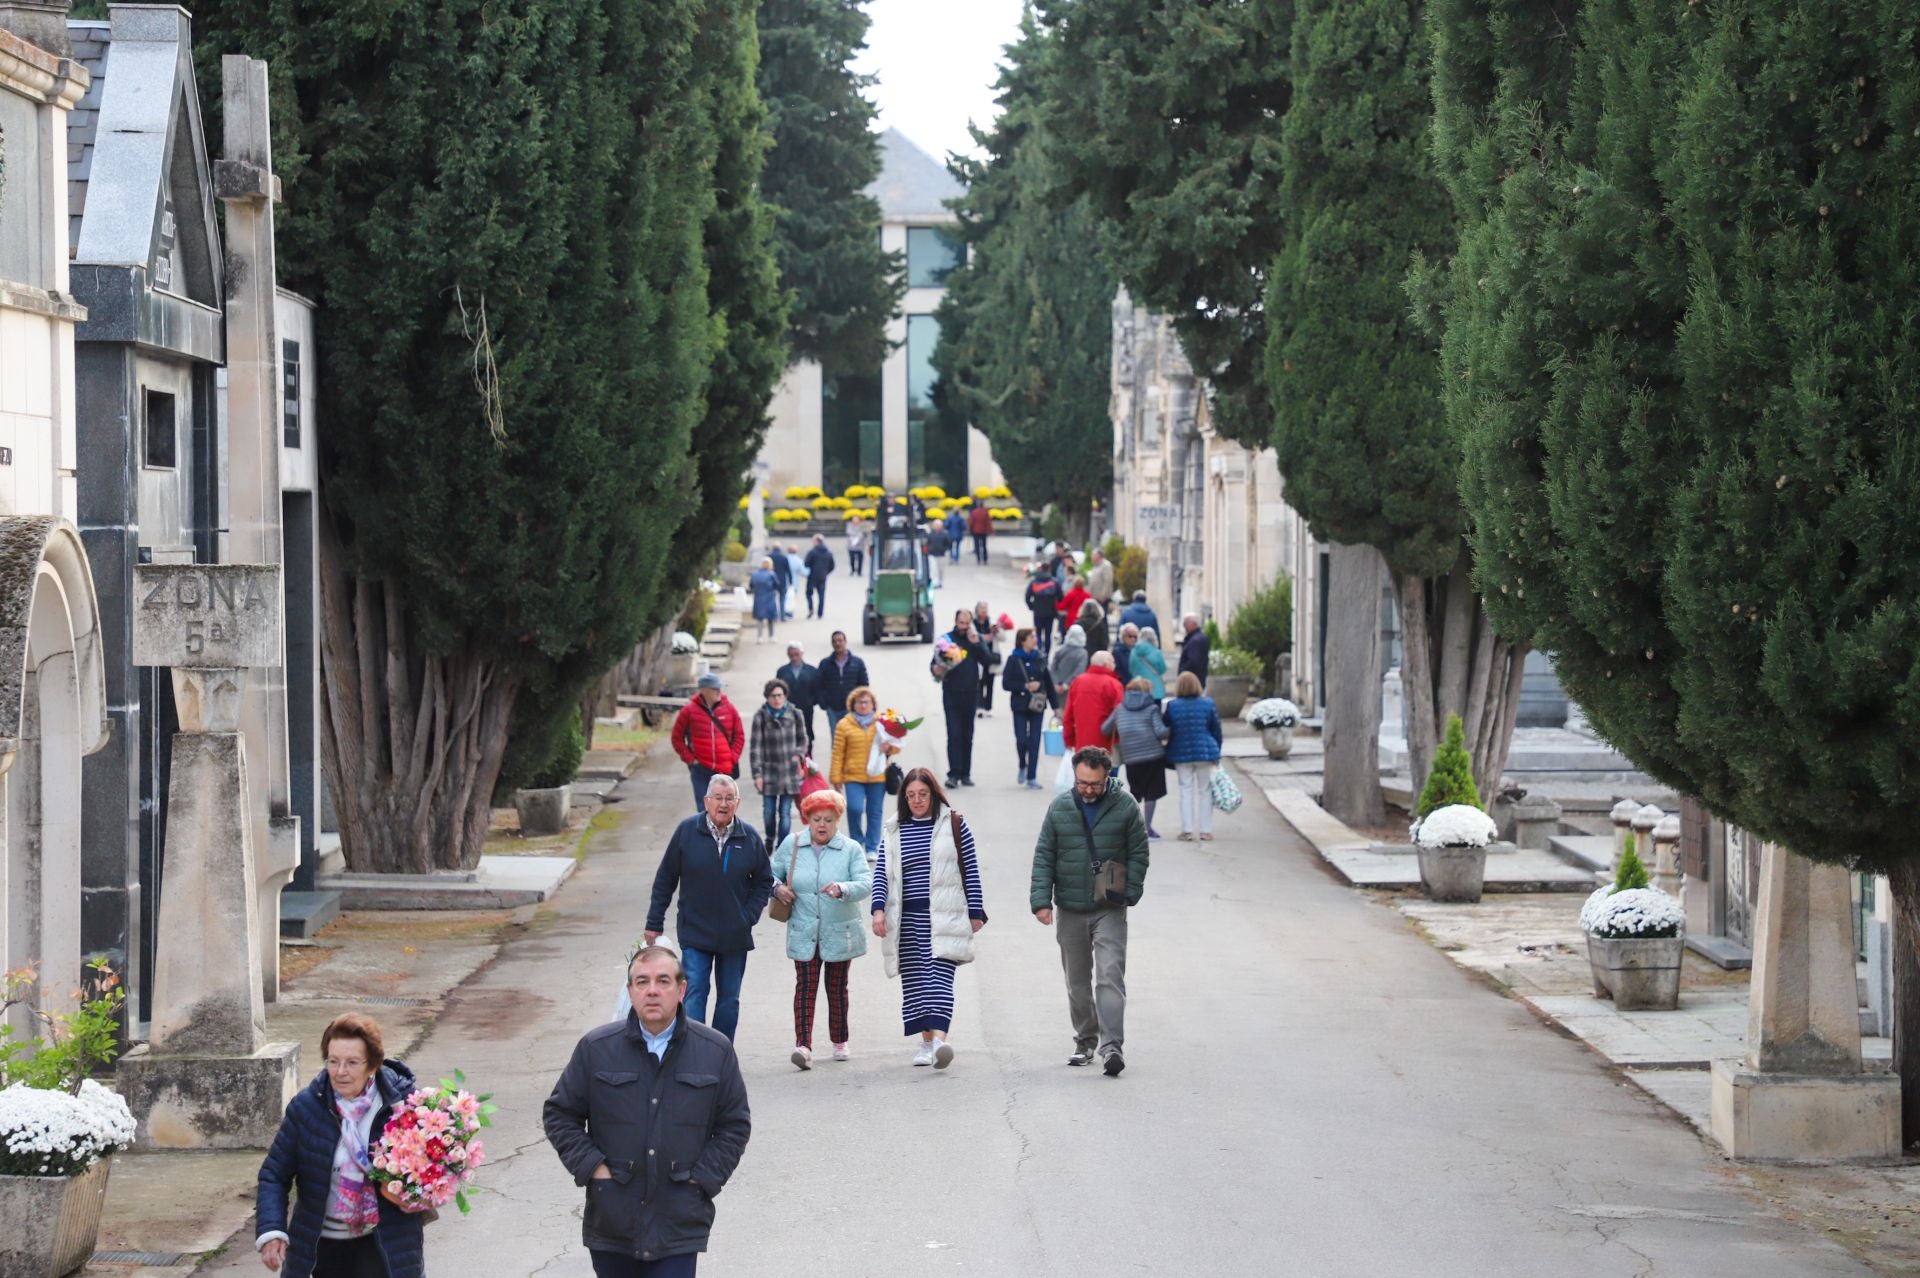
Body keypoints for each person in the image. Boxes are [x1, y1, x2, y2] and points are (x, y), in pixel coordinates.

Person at [544, 946, 750, 1278]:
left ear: (682, 990)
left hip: (680, 1221)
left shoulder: (714, 1051)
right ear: (630, 991)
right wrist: (593, 1168)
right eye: (642, 981)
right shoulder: (597, 1049)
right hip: (612, 1219)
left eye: (663, 981)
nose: (652, 990)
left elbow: (734, 1125)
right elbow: (560, 1114)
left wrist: (703, 1179)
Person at [256, 1014, 428, 1278]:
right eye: (333, 1061)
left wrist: (416, 1195)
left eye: (351, 1062)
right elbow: (274, 1175)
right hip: (321, 1245)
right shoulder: (307, 1108)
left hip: (384, 1242)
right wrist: (271, 1231)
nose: (340, 1071)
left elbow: (427, 1169)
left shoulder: (402, 1106)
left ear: (373, 1066)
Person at [1031, 747, 1149, 1076]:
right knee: (1077, 981)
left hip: (1109, 905)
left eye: (1095, 785)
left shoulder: (1125, 807)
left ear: (1107, 778)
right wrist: (1041, 900)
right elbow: (1044, 855)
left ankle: (1112, 1047)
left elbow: (1139, 851)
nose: (1088, 790)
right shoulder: (1060, 808)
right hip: (1069, 906)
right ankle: (1085, 1040)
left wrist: (1132, 890)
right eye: (1083, 783)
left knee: (1110, 976)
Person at [644, 775, 773, 1041]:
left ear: (737, 803)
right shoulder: (687, 831)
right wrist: (654, 921)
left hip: (734, 935)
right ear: (706, 801)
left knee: (728, 1001)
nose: (723, 804)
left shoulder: (748, 837)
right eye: (718, 798)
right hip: (696, 931)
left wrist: (748, 916)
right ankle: (693, 1052)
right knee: (694, 993)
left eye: (729, 799)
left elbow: (764, 881)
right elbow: (666, 878)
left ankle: (721, 1053)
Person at [874, 769, 986, 1068]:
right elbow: (882, 875)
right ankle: (925, 1043)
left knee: (939, 977)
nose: (917, 800)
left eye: (922, 794)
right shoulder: (894, 830)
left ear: (933, 794)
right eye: (910, 795)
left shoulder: (953, 824)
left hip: (944, 914)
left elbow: (970, 869)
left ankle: (939, 1041)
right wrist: (878, 910)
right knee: (915, 982)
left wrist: (975, 910)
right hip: (906, 917)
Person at [770, 788, 870, 1069]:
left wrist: (843, 888)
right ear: (807, 820)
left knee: (837, 988)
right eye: (816, 819)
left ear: (837, 820)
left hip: (839, 929)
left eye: (828, 819)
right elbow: (770, 872)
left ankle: (840, 1039)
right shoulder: (792, 844)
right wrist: (777, 889)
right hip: (804, 928)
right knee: (805, 987)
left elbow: (866, 882)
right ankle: (803, 1045)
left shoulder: (850, 849)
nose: (822, 825)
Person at [829, 686, 896, 860]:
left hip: (877, 776)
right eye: (860, 702)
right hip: (853, 776)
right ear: (853, 704)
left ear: (873, 704)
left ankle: (872, 846)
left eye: (867, 702)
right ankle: (857, 842)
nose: (864, 705)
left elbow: (896, 744)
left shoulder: (883, 723)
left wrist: (889, 747)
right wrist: (836, 777)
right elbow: (837, 752)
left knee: (875, 812)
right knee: (854, 808)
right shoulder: (844, 724)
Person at [1103, 677, 1170, 838]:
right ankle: (1147, 828)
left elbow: (1105, 728)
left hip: (1131, 757)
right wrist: (1171, 729)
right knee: (1151, 793)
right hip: (1153, 756)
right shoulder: (1151, 708)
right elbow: (1160, 732)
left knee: (1135, 792)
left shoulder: (1120, 708)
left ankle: (1131, 827)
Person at [670, 674, 746, 813]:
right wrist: (691, 760)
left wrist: (732, 758)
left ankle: (723, 835)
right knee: (704, 810)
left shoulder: (729, 709)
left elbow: (739, 736)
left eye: (719, 688)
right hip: (701, 769)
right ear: (704, 690)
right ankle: (707, 835)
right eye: (715, 689)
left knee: (725, 810)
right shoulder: (688, 711)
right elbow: (677, 738)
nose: (719, 692)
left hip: (724, 769)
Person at [1164, 671, 1224, 841]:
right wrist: (1216, 750)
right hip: (1205, 752)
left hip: (1181, 753)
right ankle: (1205, 830)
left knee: (1185, 789)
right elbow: (1216, 729)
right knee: (1205, 791)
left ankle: (1187, 830)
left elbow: (1166, 728)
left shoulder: (1173, 705)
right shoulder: (1208, 703)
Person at [934, 610, 992, 788]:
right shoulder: (946, 641)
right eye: (961, 623)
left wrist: (978, 643)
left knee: (967, 735)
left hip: (970, 694)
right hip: (951, 694)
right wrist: (937, 669)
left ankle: (966, 774)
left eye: (967, 623)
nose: (964, 627)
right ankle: (953, 774)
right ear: (955, 621)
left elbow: (988, 661)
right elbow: (934, 665)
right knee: (954, 735)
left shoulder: (975, 639)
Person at [749, 679, 807, 847]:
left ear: (785, 696)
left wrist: (798, 755)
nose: (776, 699)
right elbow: (755, 747)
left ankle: (782, 845)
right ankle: (769, 838)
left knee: (785, 812)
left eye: (780, 695)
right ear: (767, 697)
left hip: (790, 771)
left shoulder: (795, 714)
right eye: (773, 696)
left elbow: (803, 740)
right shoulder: (760, 717)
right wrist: (757, 774)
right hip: (768, 771)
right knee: (768, 811)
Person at [1001, 627, 1056, 789]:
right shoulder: (1013, 659)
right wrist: (1025, 686)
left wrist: (1056, 707)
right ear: (1023, 640)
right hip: (1020, 705)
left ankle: (1032, 776)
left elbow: (1049, 683)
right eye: (1031, 636)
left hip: (1037, 705)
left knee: (1035, 740)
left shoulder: (1040, 658)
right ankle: (1022, 765)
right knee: (1021, 740)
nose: (1035, 639)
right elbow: (1006, 683)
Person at [1062, 650, 1124, 755]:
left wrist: (1069, 739)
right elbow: (1120, 715)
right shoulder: (1114, 684)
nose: (1115, 665)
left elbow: (1068, 715)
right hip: (1106, 743)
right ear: (1106, 664)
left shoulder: (1078, 682)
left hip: (1081, 742)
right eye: (1113, 662)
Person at [814, 631, 870, 741]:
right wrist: (824, 703)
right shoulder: (825, 664)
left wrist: (859, 703)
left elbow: (864, 685)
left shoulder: (857, 662)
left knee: (852, 738)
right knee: (836, 739)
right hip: (832, 708)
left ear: (845, 642)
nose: (837, 643)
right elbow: (818, 685)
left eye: (840, 640)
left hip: (851, 709)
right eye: (834, 641)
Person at [773, 643, 820, 750]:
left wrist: (811, 701)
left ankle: (807, 759)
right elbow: (777, 689)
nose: (794, 658)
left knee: (807, 734)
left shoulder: (812, 671)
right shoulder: (782, 671)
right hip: (786, 709)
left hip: (806, 709)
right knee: (788, 735)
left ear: (802, 654)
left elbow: (817, 689)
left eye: (796, 654)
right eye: (791, 655)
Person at [971, 601, 1001, 716]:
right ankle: (979, 706)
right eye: (981, 609)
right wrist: (985, 637)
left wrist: (997, 630)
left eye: (985, 609)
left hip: (990, 657)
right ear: (977, 610)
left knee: (990, 682)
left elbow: (1003, 637)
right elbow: (973, 636)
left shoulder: (992, 622)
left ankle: (988, 707)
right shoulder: (972, 623)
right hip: (978, 657)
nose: (983, 611)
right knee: (978, 682)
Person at [1024, 567, 1062, 655]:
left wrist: (1032, 606)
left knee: (1038, 633)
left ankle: (1039, 651)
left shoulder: (1034, 582)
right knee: (1048, 634)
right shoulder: (1054, 582)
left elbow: (1027, 596)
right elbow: (1060, 596)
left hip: (1038, 612)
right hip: (1050, 613)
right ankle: (1047, 654)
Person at [802, 535, 835, 620]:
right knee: (821, 595)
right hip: (822, 577)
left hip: (812, 576)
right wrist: (826, 572)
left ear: (817, 541)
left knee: (809, 593)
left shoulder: (812, 552)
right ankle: (820, 613)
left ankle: (811, 608)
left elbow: (806, 564)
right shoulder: (828, 553)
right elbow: (832, 566)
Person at [1049, 623, 1089, 691]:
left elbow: (1053, 667)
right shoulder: (1083, 653)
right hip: (1072, 687)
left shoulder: (1060, 649)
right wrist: (1066, 684)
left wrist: (1055, 682)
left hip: (1057, 685)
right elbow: (1079, 671)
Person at [748, 557, 779, 643]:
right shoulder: (771, 574)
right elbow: (776, 585)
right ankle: (771, 636)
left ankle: (759, 637)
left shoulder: (755, 574)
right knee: (770, 618)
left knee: (759, 618)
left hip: (758, 597)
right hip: (769, 597)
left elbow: (751, 585)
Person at [1134, 626, 1169, 701]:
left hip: (1138, 687)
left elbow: (1131, 668)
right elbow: (1162, 669)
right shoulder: (1157, 652)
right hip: (1156, 689)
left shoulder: (1134, 652)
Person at [1178, 613, 1211, 687]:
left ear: (1193, 624)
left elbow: (1193, 662)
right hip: (1198, 679)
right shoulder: (1199, 638)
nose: (1184, 627)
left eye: (1185, 624)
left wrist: (1183, 672)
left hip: (1191, 682)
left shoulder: (1195, 641)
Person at [1057, 575, 1091, 640]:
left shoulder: (1070, 594)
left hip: (1071, 619)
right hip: (1083, 619)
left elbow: (1062, 606)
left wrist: (1055, 604)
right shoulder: (1087, 595)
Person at [769, 542, 794, 621]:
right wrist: (790, 581)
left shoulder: (769, 557)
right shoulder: (784, 557)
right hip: (782, 581)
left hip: (771, 581)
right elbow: (788, 571)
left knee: (773, 598)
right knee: (782, 599)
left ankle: (775, 615)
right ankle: (782, 616)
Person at [924, 520, 950, 586]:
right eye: (935, 525)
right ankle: (934, 582)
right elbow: (927, 543)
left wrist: (944, 549)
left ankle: (940, 582)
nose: (937, 526)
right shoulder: (930, 534)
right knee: (933, 569)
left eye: (938, 525)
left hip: (941, 554)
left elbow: (948, 543)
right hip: (932, 554)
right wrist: (929, 549)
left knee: (940, 569)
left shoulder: (944, 534)